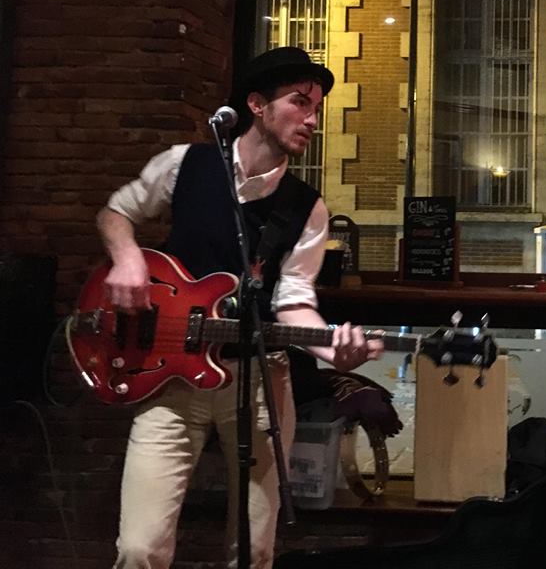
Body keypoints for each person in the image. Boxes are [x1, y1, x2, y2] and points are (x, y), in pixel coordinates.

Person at [96, 46, 383, 568]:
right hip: (170, 379)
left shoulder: (306, 207)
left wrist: (332, 350)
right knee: (140, 548)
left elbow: (293, 301)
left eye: (317, 108)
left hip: (258, 383)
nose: (312, 120)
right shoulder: (187, 164)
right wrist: (127, 257)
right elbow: (117, 211)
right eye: (300, 102)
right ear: (256, 104)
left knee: (253, 549)